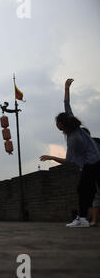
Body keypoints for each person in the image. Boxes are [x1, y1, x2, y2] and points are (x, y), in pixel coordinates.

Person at [40, 78, 100, 228]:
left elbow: (68, 162)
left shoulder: (73, 139)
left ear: (61, 125)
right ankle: (84, 218)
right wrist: (66, 87)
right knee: (90, 191)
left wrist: (50, 157)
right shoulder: (74, 127)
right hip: (96, 161)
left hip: (92, 164)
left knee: (83, 190)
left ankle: (82, 219)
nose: (56, 125)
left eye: (57, 124)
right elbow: (67, 104)